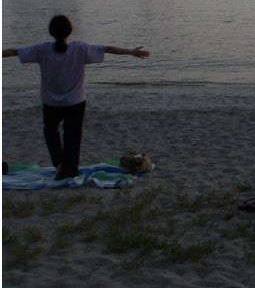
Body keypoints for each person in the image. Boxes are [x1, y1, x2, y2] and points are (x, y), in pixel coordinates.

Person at [2, 15, 150, 180]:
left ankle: (59, 164)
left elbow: (15, 51)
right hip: (76, 103)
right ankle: (69, 170)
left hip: (51, 103)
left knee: (50, 132)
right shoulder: (80, 48)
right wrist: (131, 52)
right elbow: (107, 49)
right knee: (73, 136)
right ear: (70, 31)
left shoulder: (42, 49)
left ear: (51, 32)